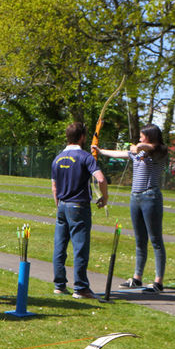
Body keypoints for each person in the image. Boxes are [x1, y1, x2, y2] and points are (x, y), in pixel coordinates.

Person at [94, 124, 167, 292]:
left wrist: (138, 146)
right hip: (135, 198)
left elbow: (148, 147)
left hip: (151, 197)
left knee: (155, 240)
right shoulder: (138, 152)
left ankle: (158, 281)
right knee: (140, 240)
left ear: (150, 137)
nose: (139, 139)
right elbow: (120, 153)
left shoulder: (160, 151)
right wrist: (100, 150)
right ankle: (137, 278)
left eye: (142, 136)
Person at [51, 121, 108, 299]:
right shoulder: (85, 157)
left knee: (60, 246)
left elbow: (54, 186)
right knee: (80, 248)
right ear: (82, 137)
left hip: (62, 205)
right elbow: (100, 179)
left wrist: (58, 204)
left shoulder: (57, 158)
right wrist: (104, 197)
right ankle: (81, 288)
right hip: (78, 206)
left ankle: (59, 285)